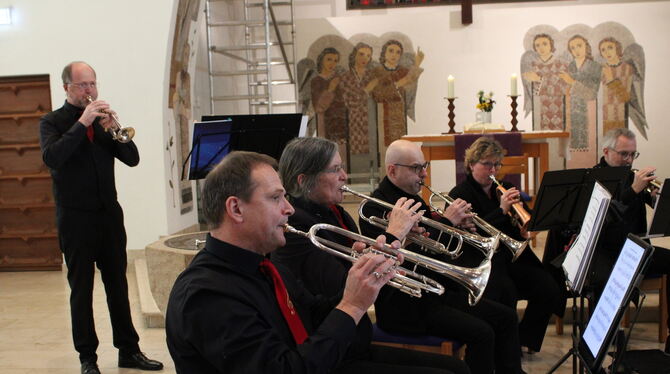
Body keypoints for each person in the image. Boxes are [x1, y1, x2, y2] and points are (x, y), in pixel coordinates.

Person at [166, 150, 460, 374]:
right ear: (236, 208)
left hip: (324, 357)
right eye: (275, 198)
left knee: (456, 369)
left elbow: (314, 312)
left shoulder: (266, 267)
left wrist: (365, 277)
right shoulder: (207, 295)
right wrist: (353, 305)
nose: (288, 208)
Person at [272, 137, 470, 374]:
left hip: (357, 339)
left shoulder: (338, 214)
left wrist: (405, 240)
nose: (344, 176)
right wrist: (394, 233)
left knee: (457, 368)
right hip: (334, 354)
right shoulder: (296, 228)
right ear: (304, 180)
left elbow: (361, 267)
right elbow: (346, 286)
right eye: (335, 169)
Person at [359, 139, 525, 374]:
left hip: (433, 292)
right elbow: (402, 261)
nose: (424, 174)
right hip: (404, 306)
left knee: (506, 317)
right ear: (392, 170)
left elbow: (439, 249)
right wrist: (447, 222)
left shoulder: (413, 199)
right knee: (482, 333)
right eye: (416, 168)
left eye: (424, 166)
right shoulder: (374, 208)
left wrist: (460, 230)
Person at [39, 61, 163, 374]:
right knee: (81, 291)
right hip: (75, 219)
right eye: (82, 85)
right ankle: (87, 359)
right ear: (66, 87)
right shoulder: (52, 122)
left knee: (118, 287)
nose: (90, 91)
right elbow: (53, 158)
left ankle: (129, 351)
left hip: (109, 216)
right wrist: (82, 123)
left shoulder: (103, 124)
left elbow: (132, 159)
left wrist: (115, 129)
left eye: (93, 84)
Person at [449, 136, 560, 354]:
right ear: (472, 164)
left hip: (512, 257)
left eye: (497, 164)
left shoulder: (506, 187)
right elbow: (475, 236)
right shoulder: (460, 195)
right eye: (487, 164)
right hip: (485, 262)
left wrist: (522, 228)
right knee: (506, 291)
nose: (493, 170)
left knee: (548, 288)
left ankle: (524, 338)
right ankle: (507, 346)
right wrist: (501, 210)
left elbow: (521, 227)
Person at [591, 128, 670, 351]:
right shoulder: (595, 178)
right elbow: (603, 219)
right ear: (606, 151)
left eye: (633, 154)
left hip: (636, 248)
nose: (628, 160)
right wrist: (633, 189)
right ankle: (603, 336)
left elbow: (652, 206)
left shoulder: (631, 174)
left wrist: (657, 198)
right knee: (602, 278)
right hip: (604, 248)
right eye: (624, 154)